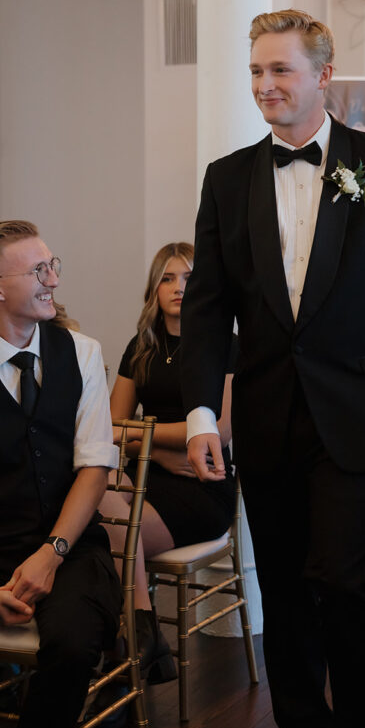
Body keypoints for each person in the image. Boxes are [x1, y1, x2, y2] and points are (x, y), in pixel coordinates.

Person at [181, 8, 365, 728]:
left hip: (357, 415)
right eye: (256, 72)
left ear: (323, 75)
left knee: (344, 584)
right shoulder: (226, 179)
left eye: (281, 71)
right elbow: (206, 311)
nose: (265, 86)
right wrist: (199, 414)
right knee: (287, 594)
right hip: (263, 420)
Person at [0, 219, 121, 728]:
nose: (54, 279)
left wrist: (53, 551)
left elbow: (94, 468)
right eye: (39, 272)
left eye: (53, 265)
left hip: (70, 545)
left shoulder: (80, 352)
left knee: (72, 642)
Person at [102, 241, 236, 684]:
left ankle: (126, 654)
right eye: (168, 278)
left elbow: (216, 433)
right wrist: (159, 449)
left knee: (105, 545)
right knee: (100, 503)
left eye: (190, 278)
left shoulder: (225, 346)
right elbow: (110, 428)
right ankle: (140, 641)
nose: (179, 288)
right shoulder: (140, 348)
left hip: (201, 487)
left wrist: (139, 436)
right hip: (148, 477)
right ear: (154, 289)